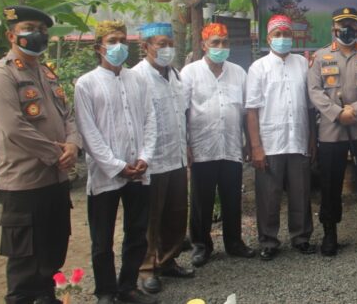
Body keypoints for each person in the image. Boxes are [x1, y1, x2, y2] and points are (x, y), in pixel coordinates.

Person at [0, 6, 82, 304]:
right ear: (11, 34)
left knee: (52, 255)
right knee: (26, 265)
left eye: (42, 28)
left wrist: (73, 144)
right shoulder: (0, 75)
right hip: (24, 185)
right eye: (29, 27)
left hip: (55, 180)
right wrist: (56, 153)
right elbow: (14, 127)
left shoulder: (47, 73)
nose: (37, 34)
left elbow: (68, 117)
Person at [75, 21, 158, 304]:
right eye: (112, 40)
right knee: (102, 239)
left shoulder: (138, 79)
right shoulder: (86, 84)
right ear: (99, 46)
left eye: (122, 40)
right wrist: (117, 165)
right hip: (105, 175)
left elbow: (150, 120)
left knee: (136, 234)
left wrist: (145, 157)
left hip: (139, 171)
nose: (118, 45)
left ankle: (128, 287)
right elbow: (88, 132)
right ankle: (106, 291)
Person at [307, 7, 357, 256]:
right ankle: (330, 233)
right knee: (330, 184)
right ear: (333, 28)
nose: (347, 29)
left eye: (352, 24)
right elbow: (314, 91)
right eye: (342, 25)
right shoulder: (320, 57)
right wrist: (337, 113)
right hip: (332, 130)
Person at [182, 23, 256, 267]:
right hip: (202, 147)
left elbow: (246, 111)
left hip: (231, 145)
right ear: (204, 45)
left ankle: (234, 242)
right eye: (215, 43)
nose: (220, 47)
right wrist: (186, 145)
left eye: (224, 42)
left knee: (232, 197)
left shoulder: (239, 73)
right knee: (201, 200)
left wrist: (248, 143)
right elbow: (182, 111)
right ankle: (201, 246)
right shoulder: (190, 73)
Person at [246, 15, 316, 261]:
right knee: (268, 195)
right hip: (270, 141)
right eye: (278, 35)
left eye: (287, 34)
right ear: (268, 39)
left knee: (301, 192)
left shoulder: (303, 64)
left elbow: (310, 106)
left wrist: (312, 139)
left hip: (298, 138)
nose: (283, 39)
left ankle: (301, 237)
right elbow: (252, 110)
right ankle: (268, 240)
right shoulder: (258, 68)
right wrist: (256, 147)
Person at [133, 23, 194, 294]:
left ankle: (169, 260)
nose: (167, 48)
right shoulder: (137, 77)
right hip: (151, 160)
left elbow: (183, 115)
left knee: (176, 213)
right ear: (145, 46)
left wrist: (188, 147)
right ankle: (147, 269)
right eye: (160, 43)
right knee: (151, 218)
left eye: (170, 43)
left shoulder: (176, 75)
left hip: (177, 156)